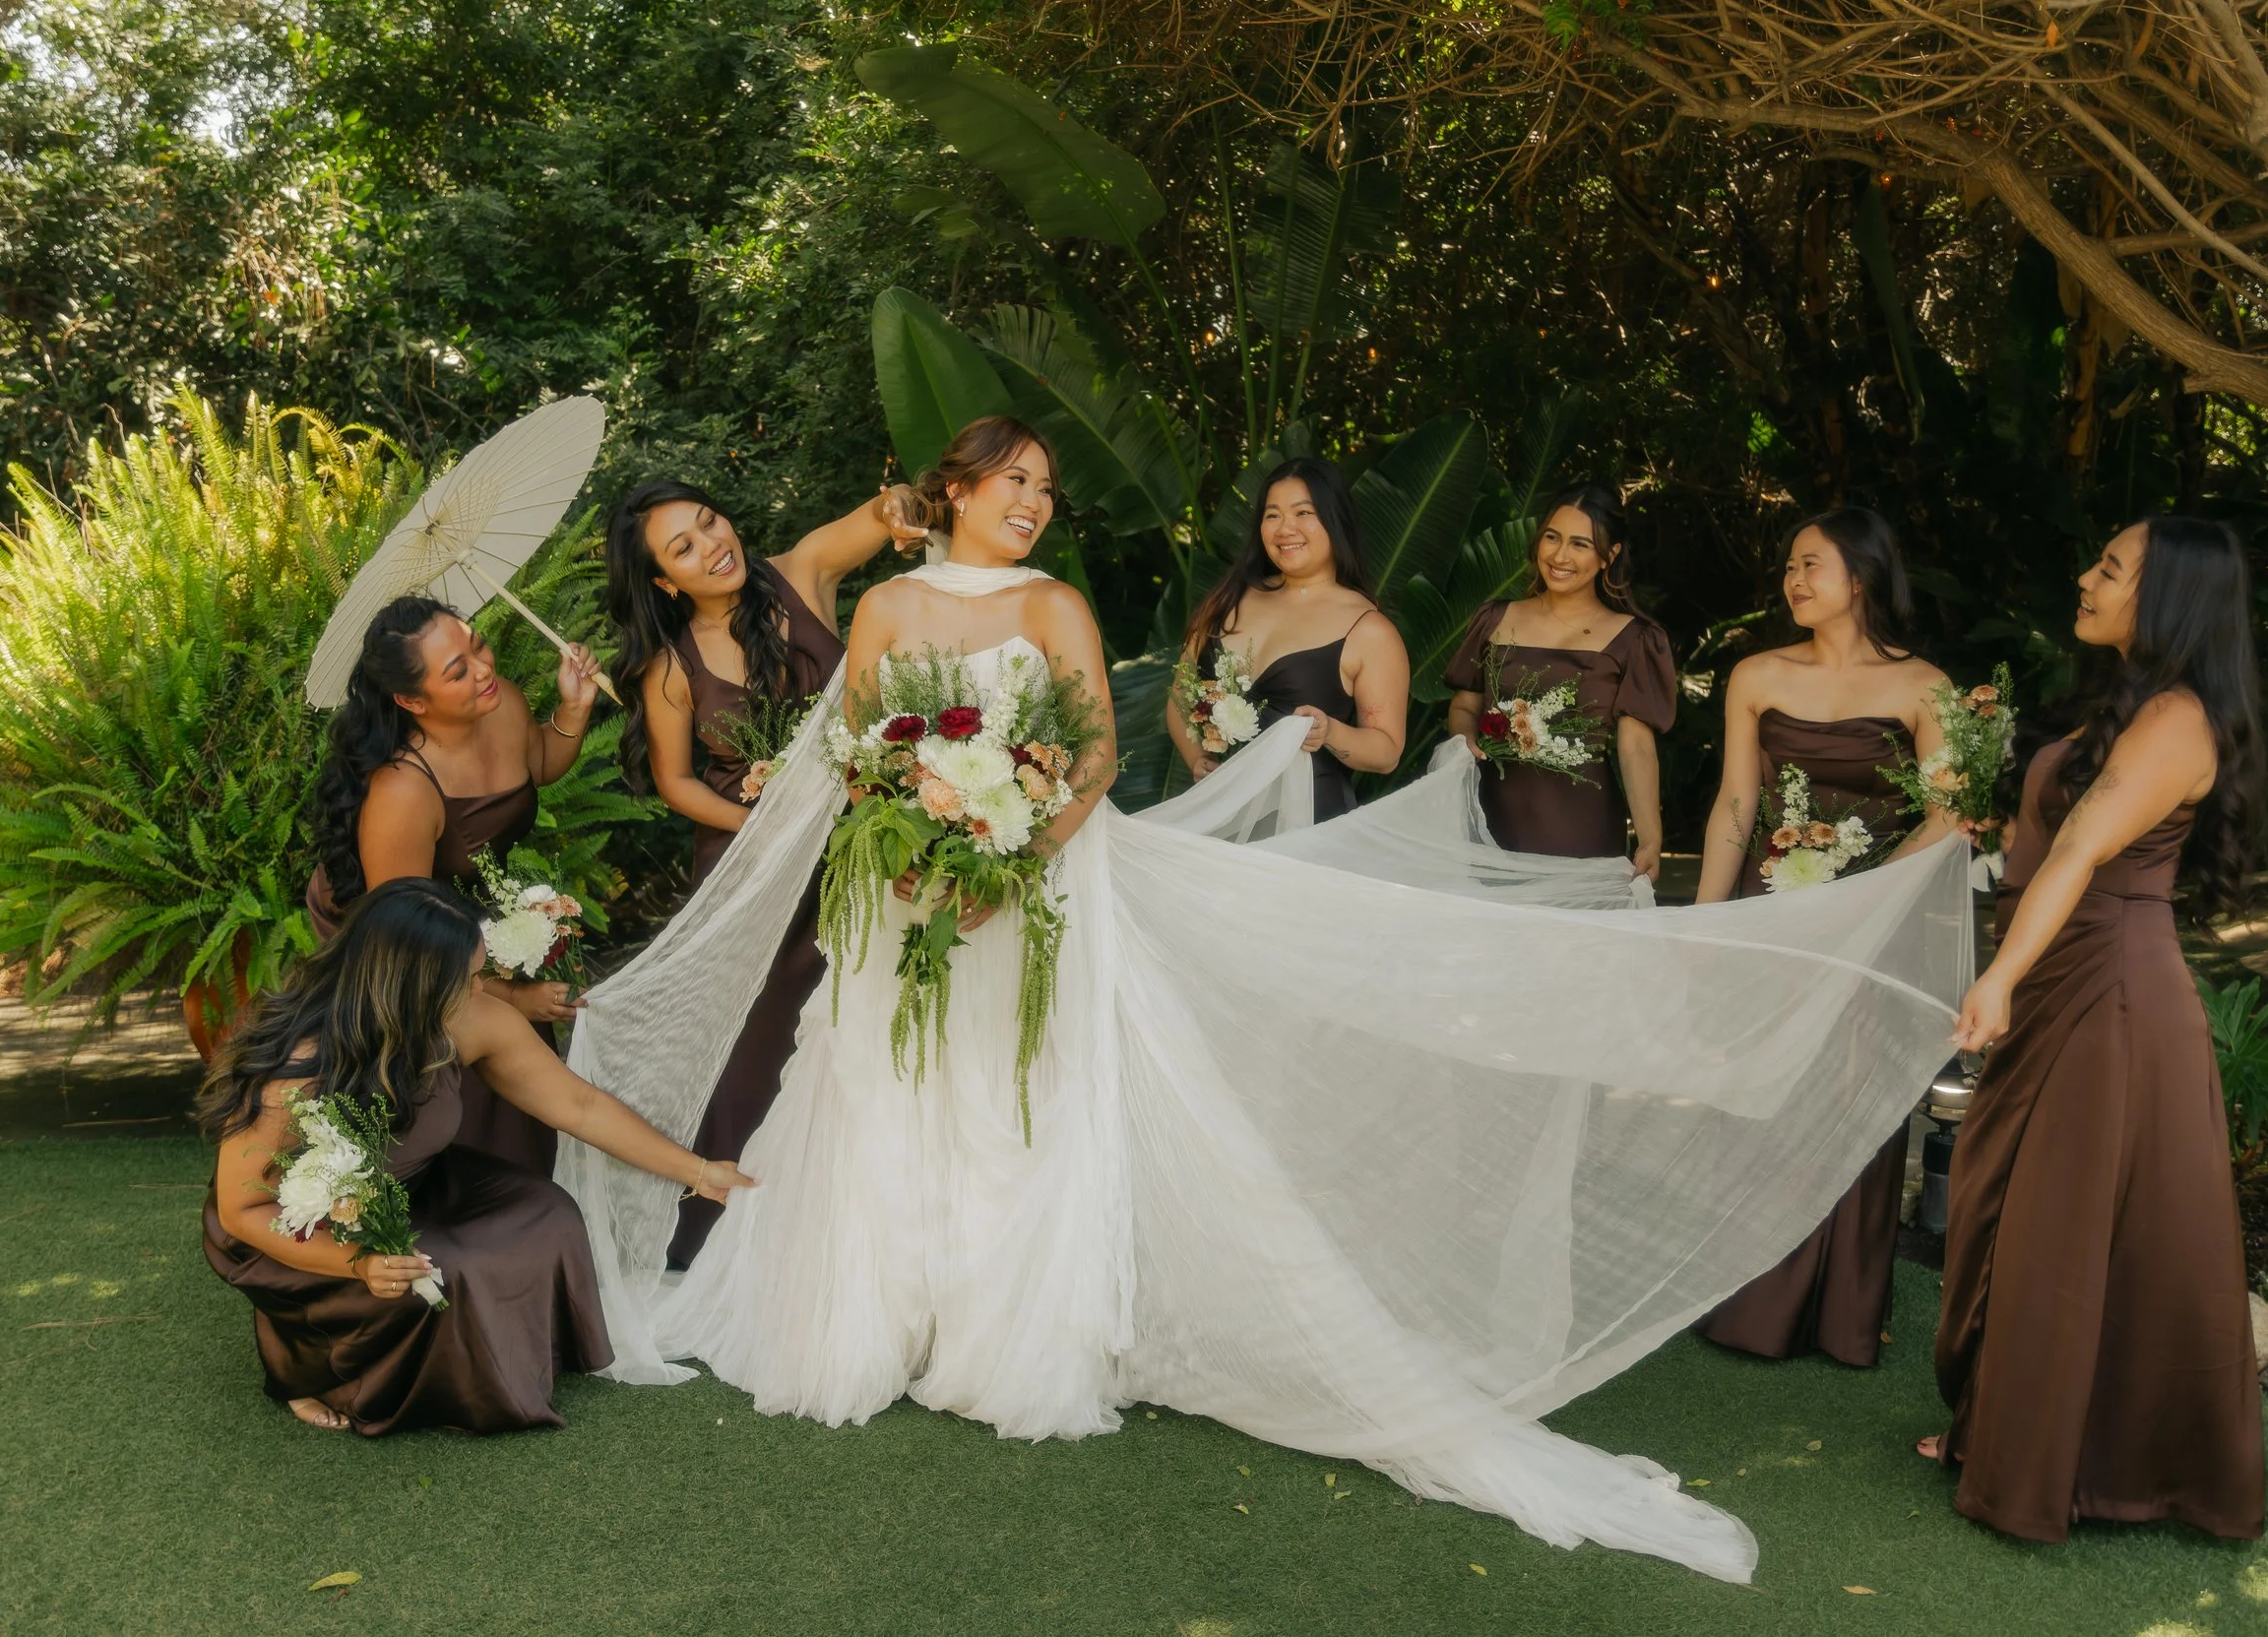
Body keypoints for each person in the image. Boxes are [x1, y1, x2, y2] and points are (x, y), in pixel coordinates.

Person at [564, 416, 1977, 1585]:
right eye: (1013, 484)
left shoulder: (1055, 606)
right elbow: (864, 744)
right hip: (908, 894)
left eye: (1046, 486)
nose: (1036, 504)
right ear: (957, 492)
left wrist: (1017, 849)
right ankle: (875, 1316)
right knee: (889, 1084)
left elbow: (1094, 750)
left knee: (1018, 1096)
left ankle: (1003, 1333)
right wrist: (921, 844)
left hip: (1033, 884)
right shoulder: (882, 606)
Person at [1927, 517, 2266, 1542]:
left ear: (2166, 598)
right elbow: (2048, 839)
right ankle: (1999, 1426)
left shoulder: (2176, 719)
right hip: (2064, 968)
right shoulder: (2122, 702)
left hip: (2110, 988)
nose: (2086, 576)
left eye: (2111, 568)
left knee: (2062, 1222)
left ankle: (2062, 1466)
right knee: (2005, 1194)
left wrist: (1999, 976)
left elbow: (2079, 849)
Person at [199, 878, 751, 1435]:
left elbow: (578, 1107)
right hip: (305, 1223)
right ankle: (317, 1362)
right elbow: (241, 1211)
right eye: (465, 978)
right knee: (441, 1270)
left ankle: (508, 1355)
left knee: (548, 1215)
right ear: (412, 984)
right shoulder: (296, 1065)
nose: (480, 989)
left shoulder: (467, 1016)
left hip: (416, 1184)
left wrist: (700, 1172)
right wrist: (360, 1263)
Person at [604, 481, 921, 1266]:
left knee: (876, 1013)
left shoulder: (800, 572)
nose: (713, 544)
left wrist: (901, 510)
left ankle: (875, 1216)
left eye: (710, 520)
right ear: (665, 581)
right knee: (762, 1040)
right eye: (683, 547)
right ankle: (730, 1231)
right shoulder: (669, 667)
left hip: (863, 838)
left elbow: (879, 513)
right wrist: (768, 827)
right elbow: (677, 782)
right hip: (752, 869)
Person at [1691, 508, 1960, 1366]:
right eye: (1789, 567)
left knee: (1853, 1096)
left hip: (1875, 922)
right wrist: (1708, 922)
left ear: (1863, 576)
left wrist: (1865, 902)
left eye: (1811, 565)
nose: (1793, 580)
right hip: (1770, 910)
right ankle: (1751, 1302)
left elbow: (1948, 814)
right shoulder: (1756, 674)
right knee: (1765, 1092)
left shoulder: (1925, 687)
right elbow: (1737, 801)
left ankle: (1844, 1314)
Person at [306, 595, 600, 1173]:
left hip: (472, 927)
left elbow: (539, 763)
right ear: (412, 701)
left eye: (478, 646)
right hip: (403, 950)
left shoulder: (502, 702)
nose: (484, 669)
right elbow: (405, 944)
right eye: (458, 671)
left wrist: (574, 708)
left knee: (529, 1098)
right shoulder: (402, 792)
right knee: (466, 1100)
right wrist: (512, 998)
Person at [1443, 483, 1675, 870]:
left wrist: (1651, 839)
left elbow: (1635, 747)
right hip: (1490, 817)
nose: (1560, 556)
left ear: (1609, 556)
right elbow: (1465, 705)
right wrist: (1464, 739)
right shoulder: (1494, 618)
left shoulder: (1635, 639)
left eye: (1580, 544)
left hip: (1582, 827)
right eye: (1552, 537)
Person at [1166, 459, 1408, 819]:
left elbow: (1386, 751)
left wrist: (1330, 732)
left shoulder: (1370, 630)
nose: (1285, 529)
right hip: (1219, 822)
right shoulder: (1227, 600)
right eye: (1273, 515)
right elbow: (1179, 699)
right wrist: (1198, 760)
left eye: (1303, 513)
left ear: (1335, 520)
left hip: (1310, 827)